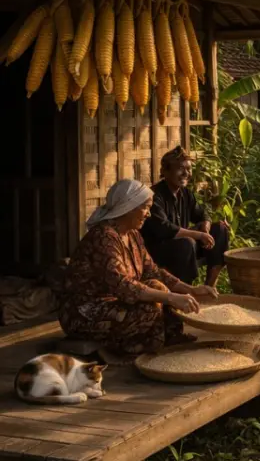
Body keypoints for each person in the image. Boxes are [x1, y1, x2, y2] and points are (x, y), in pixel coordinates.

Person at [59, 180, 218, 361]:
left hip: (114, 302)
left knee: (158, 286)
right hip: (85, 311)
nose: (148, 214)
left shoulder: (133, 234)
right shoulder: (103, 238)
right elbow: (123, 286)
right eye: (145, 208)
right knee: (155, 301)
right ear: (128, 208)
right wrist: (170, 296)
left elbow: (152, 271)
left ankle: (166, 338)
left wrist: (190, 290)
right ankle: (125, 347)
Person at [141, 147, 230, 287]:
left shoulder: (185, 193)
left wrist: (205, 230)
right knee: (187, 242)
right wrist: (199, 235)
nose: (186, 173)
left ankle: (209, 287)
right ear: (165, 171)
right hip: (158, 251)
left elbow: (202, 214)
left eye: (188, 169)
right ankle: (186, 291)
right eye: (180, 169)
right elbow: (164, 229)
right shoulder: (154, 195)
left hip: (184, 246)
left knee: (220, 229)